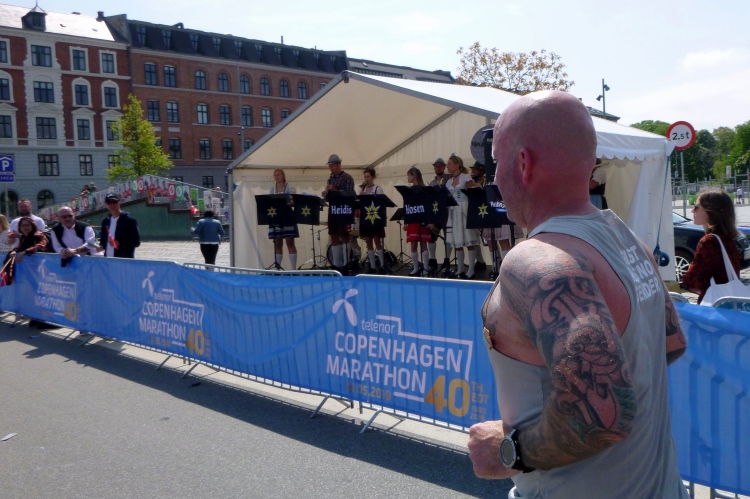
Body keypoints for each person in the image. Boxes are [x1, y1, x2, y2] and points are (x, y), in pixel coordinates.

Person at [468, 90, 688, 499]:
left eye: (496, 162)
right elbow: (671, 344)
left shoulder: (536, 260)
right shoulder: (629, 241)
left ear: (523, 163)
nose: (494, 179)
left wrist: (507, 450)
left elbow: (602, 419)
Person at [681, 188, 741, 304]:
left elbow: (692, 282)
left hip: (714, 305)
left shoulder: (709, 241)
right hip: (729, 303)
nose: (692, 211)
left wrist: (688, 271)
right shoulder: (728, 238)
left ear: (711, 212)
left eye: (697, 207)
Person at [472, 161, 524, 270]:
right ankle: (495, 267)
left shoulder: (503, 176)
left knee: (503, 240)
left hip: (501, 212)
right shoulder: (485, 180)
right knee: (490, 241)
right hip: (490, 213)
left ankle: (507, 269)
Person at [444, 154, 479, 279]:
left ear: (457, 165)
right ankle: (459, 268)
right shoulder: (448, 182)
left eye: (449, 164)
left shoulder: (465, 177)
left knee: (469, 240)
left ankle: (471, 269)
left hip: (464, 209)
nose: (447, 166)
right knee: (457, 242)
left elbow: (472, 193)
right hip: (453, 211)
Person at [322, 154, 355, 272]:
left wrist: (334, 190)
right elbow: (329, 196)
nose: (330, 168)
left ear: (338, 165)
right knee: (333, 235)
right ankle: (336, 264)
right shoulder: (331, 179)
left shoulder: (347, 177)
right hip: (333, 210)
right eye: (330, 166)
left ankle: (346, 263)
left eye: (332, 166)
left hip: (344, 210)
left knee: (344, 235)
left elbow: (349, 194)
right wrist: (326, 194)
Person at [358, 168, 387, 274]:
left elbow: (381, 201)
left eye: (368, 176)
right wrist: (362, 194)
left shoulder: (377, 188)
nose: (366, 178)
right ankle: (372, 266)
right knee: (368, 241)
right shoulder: (363, 189)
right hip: (366, 218)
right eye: (365, 177)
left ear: (373, 177)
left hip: (375, 218)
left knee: (377, 240)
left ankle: (382, 265)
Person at [269, 169, 299, 270]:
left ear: (283, 176)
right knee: (277, 243)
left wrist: (287, 202)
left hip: (288, 216)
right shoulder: (272, 189)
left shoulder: (290, 187)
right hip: (276, 217)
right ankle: (277, 268)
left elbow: (294, 202)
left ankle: (293, 268)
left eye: (278, 175)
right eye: (275, 175)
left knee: (290, 241)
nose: (276, 177)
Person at [404, 166, 430, 276]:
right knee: (413, 244)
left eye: (408, 176)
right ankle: (415, 267)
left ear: (413, 176)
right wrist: (406, 221)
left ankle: (426, 268)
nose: (407, 178)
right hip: (412, 219)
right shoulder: (408, 191)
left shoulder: (424, 189)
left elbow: (427, 205)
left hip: (422, 218)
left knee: (424, 243)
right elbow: (406, 205)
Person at [100, 193, 141, 258]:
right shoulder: (105, 222)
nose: (112, 205)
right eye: (109, 203)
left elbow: (136, 242)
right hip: (108, 261)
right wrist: (100, 247)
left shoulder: (129, 221)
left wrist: (119, 243)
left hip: (123, 261)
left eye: (114, 202)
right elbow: (103, 241)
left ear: (119, 203)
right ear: (106, 205)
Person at [427, 157, 450, 272]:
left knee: (448, 236)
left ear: (444, 167)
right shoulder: (432, 183)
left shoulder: (449, 179)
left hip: (446, 211)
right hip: (436, 211)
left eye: (440, 166)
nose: (438, 168)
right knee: (432, 236)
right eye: (436, 166)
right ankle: (432, 259)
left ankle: (447, 259)